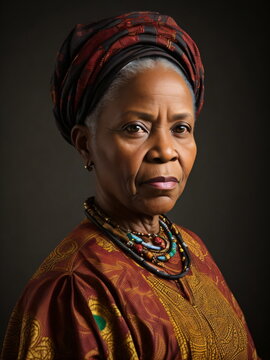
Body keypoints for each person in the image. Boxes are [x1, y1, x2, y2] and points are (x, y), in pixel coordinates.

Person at [1, 11, 260, 360]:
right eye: (135, 128)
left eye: (181, 128)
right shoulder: (73, 289)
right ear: (85, 143)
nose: (166, 150)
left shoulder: (192, 251)